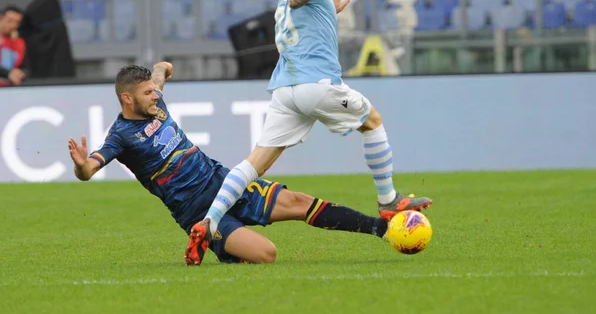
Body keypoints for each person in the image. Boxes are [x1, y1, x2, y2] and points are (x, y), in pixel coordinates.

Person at [189, 0, 433, 265]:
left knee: (255, 163)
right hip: (315, 85)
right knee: (373, 121)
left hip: (285, 90)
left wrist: (328, 7)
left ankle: (209, 221)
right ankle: (388, 201)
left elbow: (299, 10)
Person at [68, 62, 401, 266]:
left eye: (155, 91)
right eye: (147, 93)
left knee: (298, 202)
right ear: (127, 99)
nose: (155, 96)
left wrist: (161, 70)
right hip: (195, 210)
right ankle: (219, 246)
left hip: (221, 180)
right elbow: (90, 170)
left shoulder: (154, 101)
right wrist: (81, 166)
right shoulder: (121, 136)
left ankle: (381, 229)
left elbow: (157, 76)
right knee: (266, 254)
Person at [0, 5, 26, 86]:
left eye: (17, 22)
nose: (13, 25)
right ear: (1, 18)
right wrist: (8, 73)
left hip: (11, 88)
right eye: (10, 21)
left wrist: (20, 74)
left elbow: (25, 66)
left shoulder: (19, 42)